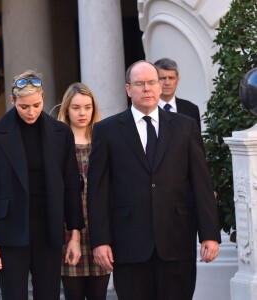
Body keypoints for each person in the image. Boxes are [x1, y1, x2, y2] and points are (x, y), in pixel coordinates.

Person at [87, 60, 221, 300]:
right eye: (140, 84)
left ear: (160, 86)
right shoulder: (106, 130)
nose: (147, 88)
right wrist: (100, 240)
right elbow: (98, 192)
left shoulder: (185, 126)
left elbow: (201, 182)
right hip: (128, 244)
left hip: (177, 240)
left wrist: (210, 233)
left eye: (151, 82)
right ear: (128, 89)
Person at [0, 70, 84, 300]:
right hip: (9, 231)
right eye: (24, 106)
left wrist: (75, 235)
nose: (31, 111)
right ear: (13, 101)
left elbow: (72, 184)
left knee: (49, 295)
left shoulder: (61, 132)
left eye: (36, 104)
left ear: (43, 97)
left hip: (49, 229)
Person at [58, 82, 111, 300]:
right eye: (76, 107)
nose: (82, 113)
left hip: (99, 227)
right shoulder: (58, 142)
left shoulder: (103, 140)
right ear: (67, 110)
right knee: (73, 294)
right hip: (68, 228)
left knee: (99, 294)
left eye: (87, 107)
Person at [154, 57, 201, 131]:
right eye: (162, 78)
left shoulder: (191, 109)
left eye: (171, 78)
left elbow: (196, 141)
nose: (167, 83)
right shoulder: (147, 109)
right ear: (154, 81)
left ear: (178, 80)